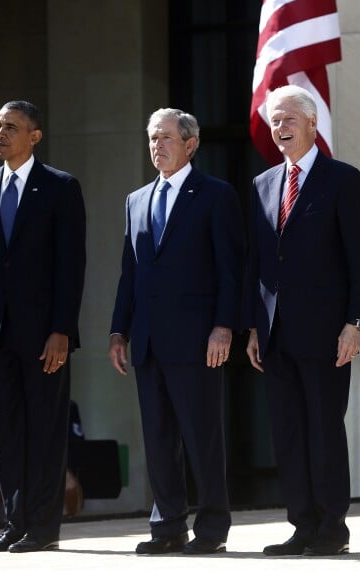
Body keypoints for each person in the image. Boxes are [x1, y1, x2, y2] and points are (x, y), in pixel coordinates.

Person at [244, 85, 360, 557]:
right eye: (275, 121)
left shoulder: (343, 179)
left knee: (323, 429)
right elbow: (259, 262)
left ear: (312, 123)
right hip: (276, 334)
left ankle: (331, 529)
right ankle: (301, 525)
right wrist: (255, 327)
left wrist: (355, 322)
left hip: (326, 333)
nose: (281, 129)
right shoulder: (262, 185)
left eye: (289, 120)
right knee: (288, 433)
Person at [109, 108, 244, 556]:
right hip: (147, 340)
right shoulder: (136, 200)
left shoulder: (215, 195)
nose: (157, 145)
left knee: (201, 435)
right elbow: (130, 273)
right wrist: (117, 332)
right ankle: (166, 526)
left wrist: (224, 327)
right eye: (151, 137)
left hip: (197, 340)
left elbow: (230, 269)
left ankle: (211, 528)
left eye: (165, 137)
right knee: (159, 438)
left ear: (190, 144)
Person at [0, 100, 86, 553]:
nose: (0, 133)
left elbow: (71, 267)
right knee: (6, 432)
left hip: (44, 336)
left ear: (35, 136)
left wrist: (62, 330)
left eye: (11, 126)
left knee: (46, 431)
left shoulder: (60, 188)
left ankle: (44, 529)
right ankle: (15, 524)